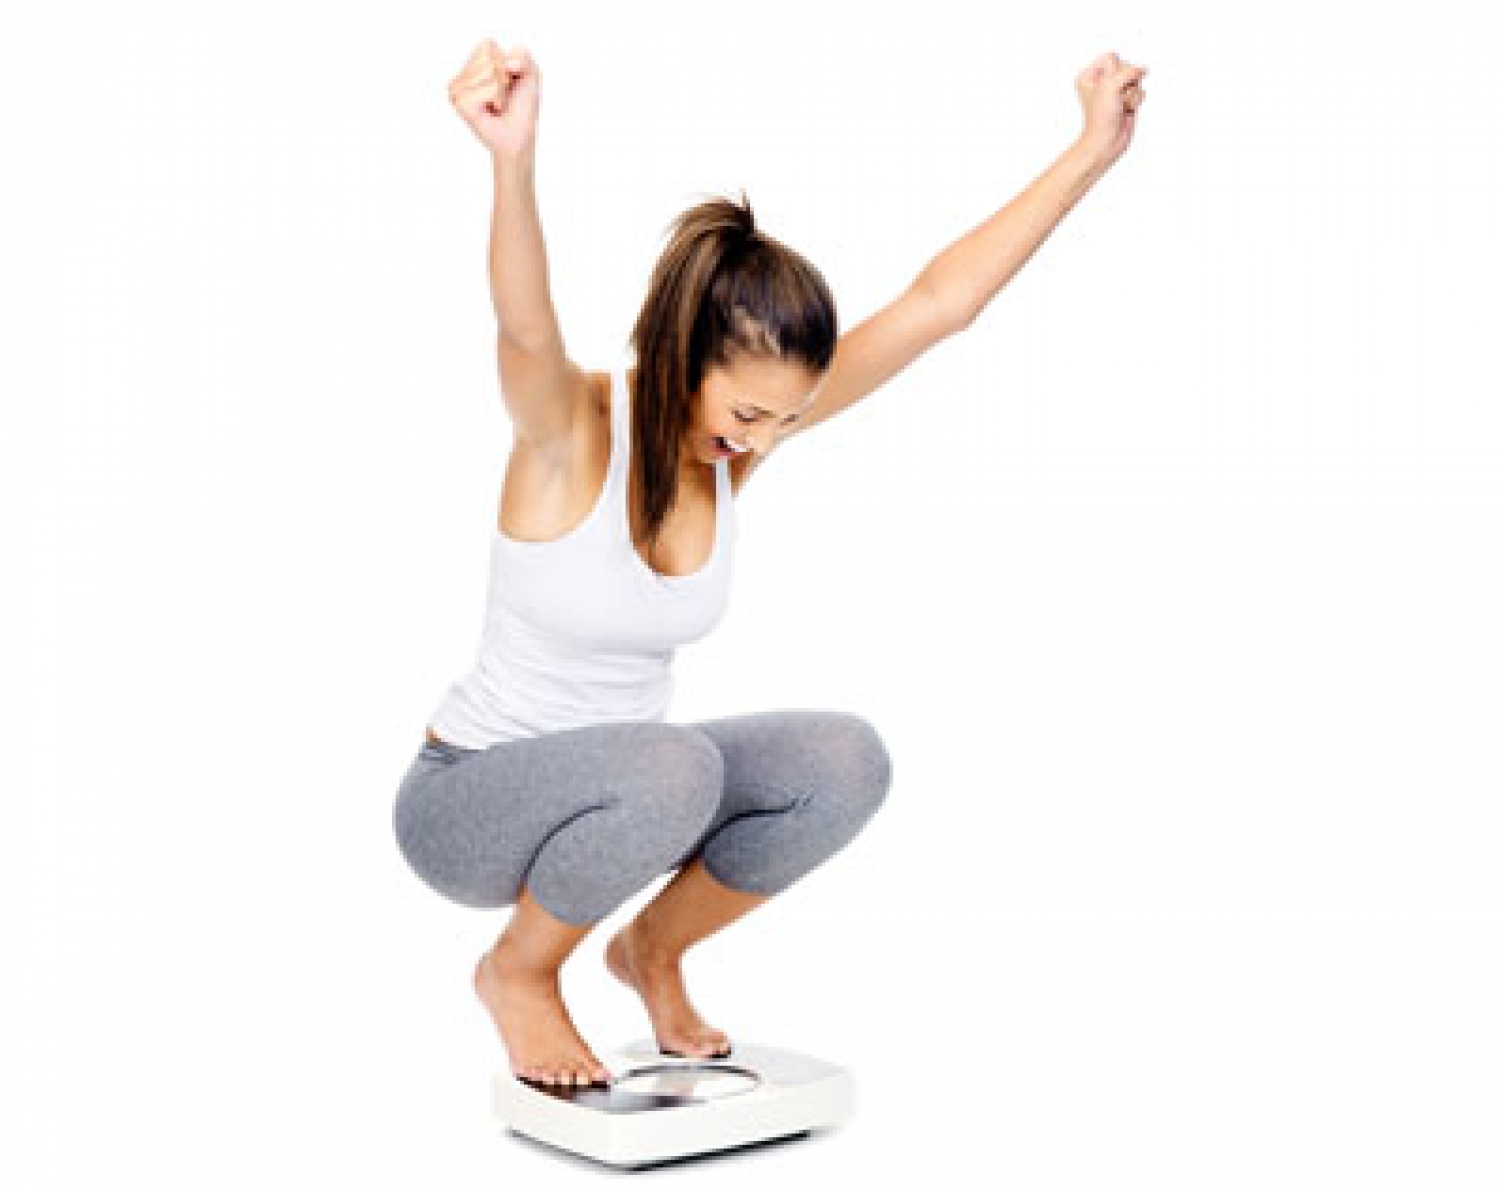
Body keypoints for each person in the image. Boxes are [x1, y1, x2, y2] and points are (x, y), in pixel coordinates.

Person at [393, 39, 1147, 1091]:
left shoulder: (733, 455)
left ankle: (651, 951)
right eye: (749, 412)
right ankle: (518, 971)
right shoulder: (569, 430)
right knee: (673, 763)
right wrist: (510, 163)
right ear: (683, 353)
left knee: (842, 760)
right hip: (468, 799)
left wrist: (1091, 152)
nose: (759, 440)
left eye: (783, 420)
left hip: (629, 796)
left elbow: (936, 305)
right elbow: (524, 328)